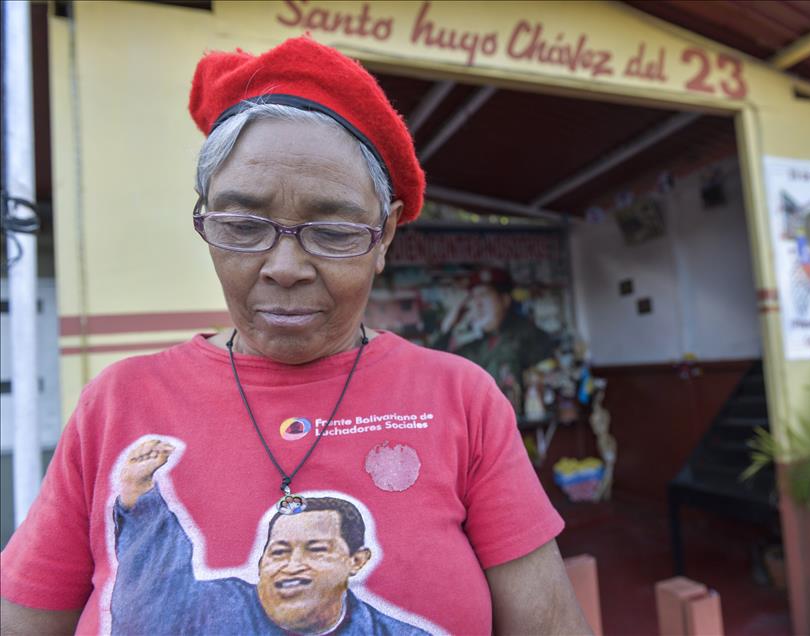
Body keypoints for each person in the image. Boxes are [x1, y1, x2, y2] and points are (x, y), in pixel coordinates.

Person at [0, 36, 590, 635]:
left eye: (332, 231)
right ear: (206, 219)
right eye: (243, 225)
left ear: (384, 237)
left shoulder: (462, 400)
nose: (284, 267)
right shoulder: (117, 404)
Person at [109, 440, 426, 635]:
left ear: (356, 560)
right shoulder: (213, 607)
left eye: (316, 549)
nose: (292, 565)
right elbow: (155, 597)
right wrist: (142, 497)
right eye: (278, 552)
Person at [434, 268, 556, 408]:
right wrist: (448, 329)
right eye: (474, 297)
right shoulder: (475, 346)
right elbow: (434, 367)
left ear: (504, 300)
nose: (478, 304)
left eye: (484, 295)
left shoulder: (530, 335)